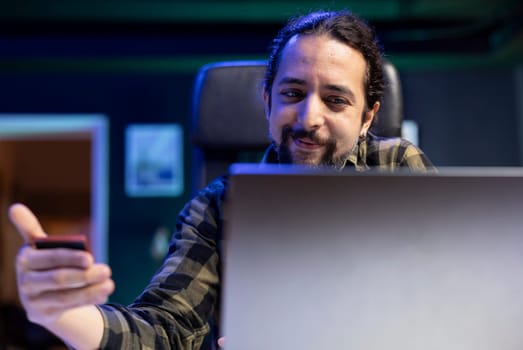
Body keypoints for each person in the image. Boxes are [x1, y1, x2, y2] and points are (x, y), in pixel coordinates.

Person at [9, 9, 435, 350]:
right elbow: (164, 331)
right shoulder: (216, 208)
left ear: (367, 117)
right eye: (292, 94)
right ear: (267, 101)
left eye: (335, 100)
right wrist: (63, 316)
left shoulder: (396, 166)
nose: (309, 118)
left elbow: (446, 298)